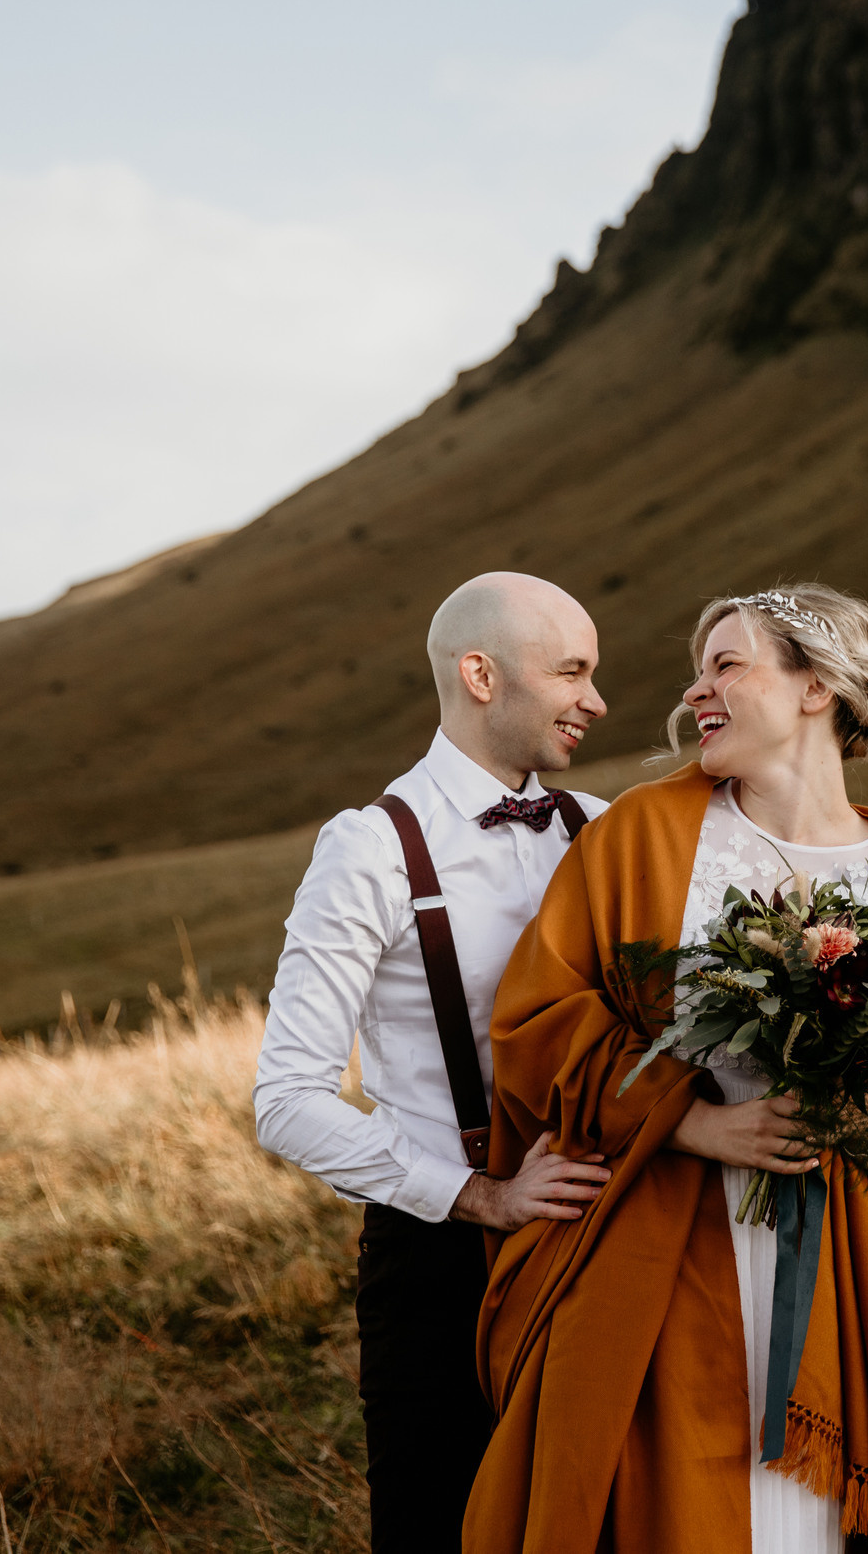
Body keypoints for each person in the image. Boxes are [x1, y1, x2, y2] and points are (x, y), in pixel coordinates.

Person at [464, 585, 868, 1554]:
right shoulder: (641, 836)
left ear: (816, 688)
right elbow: (537, 1018)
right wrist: (693, 1122)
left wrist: (861, 1117)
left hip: (829, 1260)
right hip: (662, 1248)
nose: (695, 689)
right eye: (698, 668)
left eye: (727, 664)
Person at [253, 572, 619, 1554]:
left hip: (605, 1238)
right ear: (481, 674)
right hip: (438, 1266)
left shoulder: (603, 826)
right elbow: (285, 1099)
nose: (596, 700)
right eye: (572, 672)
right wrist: (479, 1197)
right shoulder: (370, 850)